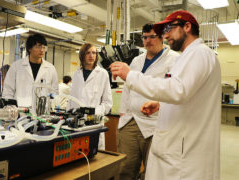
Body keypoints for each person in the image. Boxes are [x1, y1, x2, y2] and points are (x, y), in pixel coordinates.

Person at [110, 10, 221, 180]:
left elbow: (178, 90)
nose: (166, 34)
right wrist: (161, 104)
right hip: (174, 142)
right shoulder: (189, 56)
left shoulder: (200, 53)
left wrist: (131, 76)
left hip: (185, 152)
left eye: (169, 28)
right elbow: (188, 93)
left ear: (187, 26)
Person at [118, 23, 179, 180]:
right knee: (125, 168)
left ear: (161, 37)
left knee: (153, 171)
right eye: (144, 37)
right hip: (131, 121)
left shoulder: (174, 60)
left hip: (156, 123)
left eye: (152, 36)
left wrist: (161, 106)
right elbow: (127, 89)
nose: (147, 41)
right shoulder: (136, 61)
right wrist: (123, 113)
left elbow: (177, 92)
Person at [67, 43, 113, 150]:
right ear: (82, 55)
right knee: (77, 155)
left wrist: (95, 112)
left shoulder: (103, 74)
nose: (91, 56)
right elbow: (72, 99)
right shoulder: (77, 74)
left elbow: (107, 103)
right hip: (77, 123)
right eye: (88, 53)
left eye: (94, 53)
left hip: (94, 122)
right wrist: (69, 115)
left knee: (94, 155)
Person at [3, 33, 58, 107]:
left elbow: (54, 92)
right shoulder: (16, 66)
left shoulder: (51, 68)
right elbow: (8, 90)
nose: (42, 50)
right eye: (38, 47)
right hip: (20, 111)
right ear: (29, 48)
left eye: (43, 47)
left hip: (42, 112)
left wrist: (50, 107)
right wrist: (10, 109)